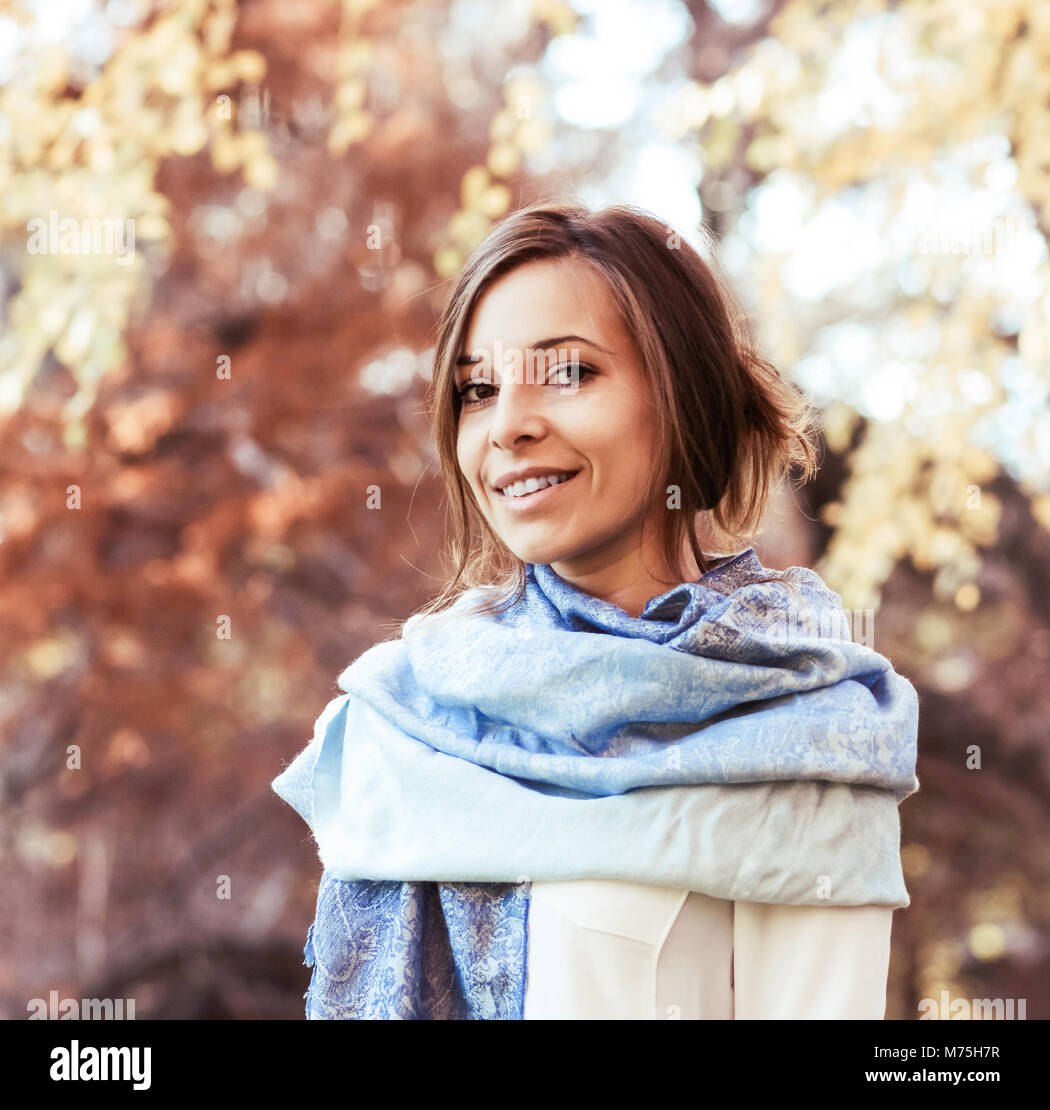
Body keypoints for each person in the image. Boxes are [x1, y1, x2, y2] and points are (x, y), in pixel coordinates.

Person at [273, 200, 920, 1019]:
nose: (508, 426)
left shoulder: (804, 735)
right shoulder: (402, 721)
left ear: (683, 396)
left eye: (569, 373)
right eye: (478, 390)